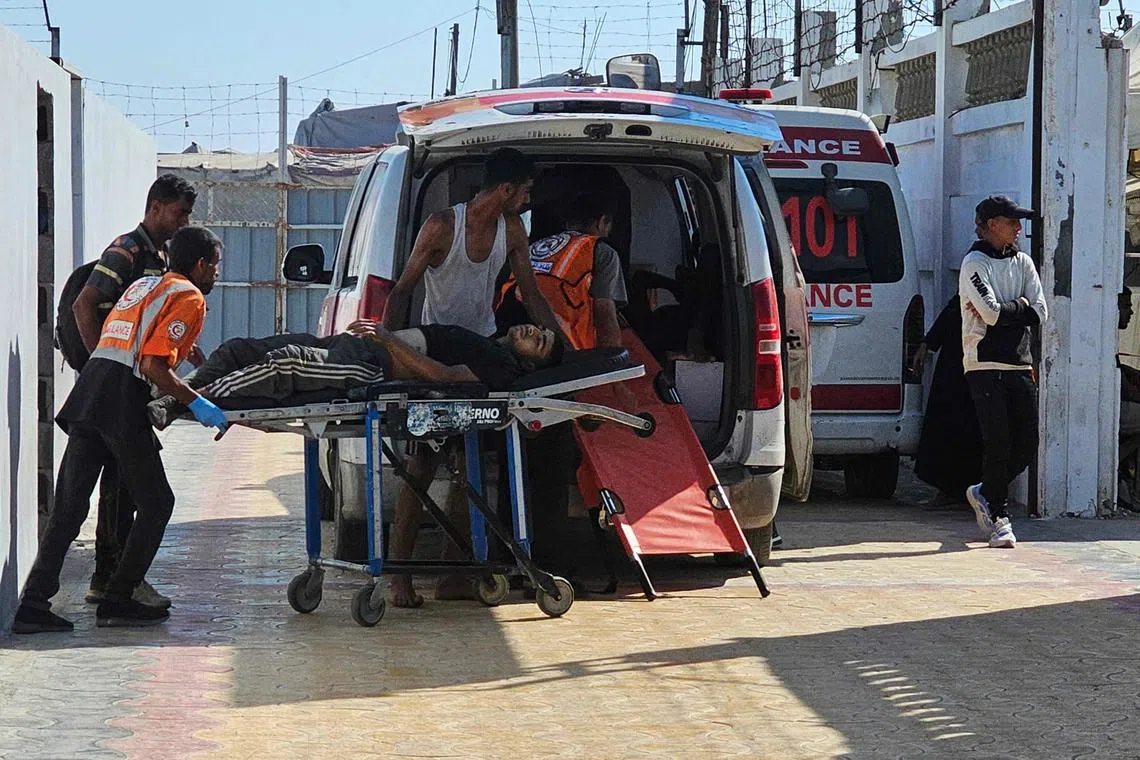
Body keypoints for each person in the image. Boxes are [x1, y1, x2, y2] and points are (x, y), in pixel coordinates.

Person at [13, 226, 225, 633]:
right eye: (215, 266)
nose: (216, 274)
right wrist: (196, 402)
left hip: (91, 387)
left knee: (69, 506)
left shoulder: (146, 284)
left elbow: (132, 337)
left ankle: (33, 605)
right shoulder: (189, 298)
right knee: (157, 502)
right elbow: (151, 365)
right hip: (121, 398)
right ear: (200, 266)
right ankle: (119, 596)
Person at [382, 148, 564, 608]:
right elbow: (403, 288)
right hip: (437, 350)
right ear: (506, 189)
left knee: (472, 471)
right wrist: (388, 345)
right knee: (419, 469)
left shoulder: (513, 229)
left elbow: (530, 292)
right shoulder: (443, 226)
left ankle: (454, 575)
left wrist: (562, 347)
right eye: (524, 192)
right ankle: (398, 578)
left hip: (481, 352)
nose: (526, 201)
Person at [74, 174, 199, 610]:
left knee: (125, 484)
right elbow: (84, 305)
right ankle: (112, 579)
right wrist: (102, 368)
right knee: (121, 485)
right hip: (115, 387)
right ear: (157, 206)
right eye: (180, 213)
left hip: (128, 385)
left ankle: (115, 580)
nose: (184, 222)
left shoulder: (160, 257)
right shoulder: (125, 250)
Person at [497, 192, 631, 583]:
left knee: (515, 459)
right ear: (601, 222)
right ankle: (548, 564)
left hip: (512, 357)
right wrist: (616, 379)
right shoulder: (599, 252)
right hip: (556, 361)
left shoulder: (533, 247)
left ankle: (508, 554)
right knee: (552, 465)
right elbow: (605, 316)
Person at [145, 322, 562, 426]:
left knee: (286, 363)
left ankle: (179, 400)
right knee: (238, 348)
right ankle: (174, 396)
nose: (532, 332)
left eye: (539, 342)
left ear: (528, 364)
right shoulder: (491, 340)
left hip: (371, 365)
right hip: (357, 345)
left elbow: (444, 378)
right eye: (538, 329)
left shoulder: (501, 366)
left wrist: (387, 339)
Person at [959, 195, 1048, 548]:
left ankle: (984, 491)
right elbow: (990, 314)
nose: (1018, 228)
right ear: (992, 224)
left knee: (1026, 445)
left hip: (1020, 364)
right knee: (998, 443)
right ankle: (998, 516)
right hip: (983, 364)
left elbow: (1040, 311)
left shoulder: (1023, 262)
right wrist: (1019, 308)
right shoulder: (974, 264)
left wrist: (1013, 310)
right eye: (1012, 221)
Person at [912, 294, 983, 503]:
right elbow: (954, 310)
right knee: (945, 422)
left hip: (982, 364)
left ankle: (970, 490)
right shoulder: (972, 272)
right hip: (953, 363)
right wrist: (927, 343)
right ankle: (947, 488)